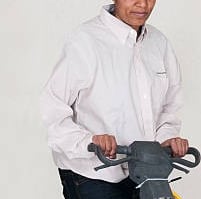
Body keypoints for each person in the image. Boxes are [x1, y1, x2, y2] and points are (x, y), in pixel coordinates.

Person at [40, 1, 189, 198]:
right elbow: (53, 109)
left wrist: (167, 138)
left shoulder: (159, 43)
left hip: (146, 173)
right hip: (93, 176)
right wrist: (88, 141)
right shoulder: (85, 41)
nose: (143, 4)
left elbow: (169, 107)